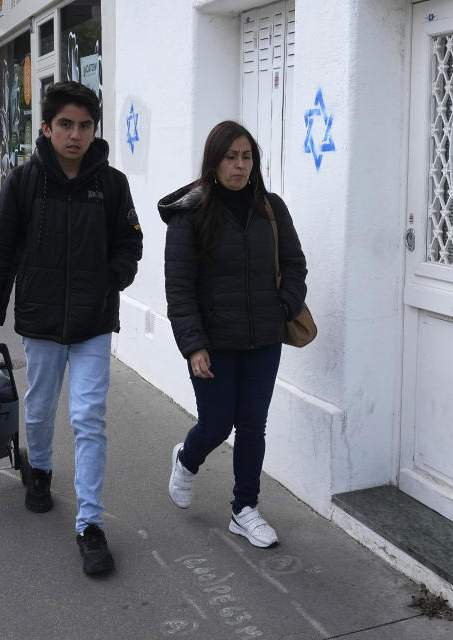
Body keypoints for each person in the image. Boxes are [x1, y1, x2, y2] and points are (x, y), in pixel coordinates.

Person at [0, 81, 143, 575]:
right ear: (45, 128)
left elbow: (130, 244)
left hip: (93, 322)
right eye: (65, 125)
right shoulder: (25, 182)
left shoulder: (110, 184)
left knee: (89, 417)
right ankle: (40, 470)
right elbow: (0, 255)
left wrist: (112, 278)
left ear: (94, 130)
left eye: (84, 125)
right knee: (41, 407)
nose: (75, 134)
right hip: (42, 321)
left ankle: (90, 524)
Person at [158, 120, 308, 548]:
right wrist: (194, 345)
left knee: (253, 426)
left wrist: (284, 307)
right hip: (214, 344)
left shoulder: (271, 209)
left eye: (247, 157)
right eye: (231, 157)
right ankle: (187, 459)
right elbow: (180, 288)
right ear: (214, 161)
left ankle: (245, 509)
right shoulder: (191, 215)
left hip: (264, 339)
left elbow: (295, 264)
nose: (240, 166)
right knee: (217, 424)